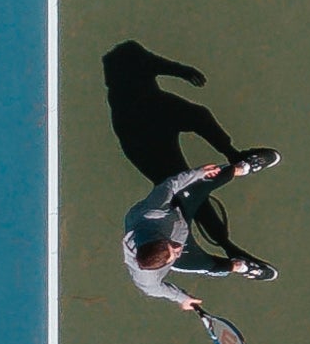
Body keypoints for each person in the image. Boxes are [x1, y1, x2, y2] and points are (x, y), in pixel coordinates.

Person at [103, 40, 269, 270]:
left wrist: (184, 71)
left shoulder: (132, 58)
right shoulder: (123, 104)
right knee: (191, 194)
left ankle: (234, 156)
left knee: (199, 116)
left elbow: (155, 64)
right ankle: (228, 249)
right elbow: (154, 64)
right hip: (142, 143)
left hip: (156, 108)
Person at [123, 153, 280, 344]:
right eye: (173, 255)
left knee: (210, 176)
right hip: (181, 240)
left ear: (157, 239)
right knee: (211, 266)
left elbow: (169, 185)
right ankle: (242, 266)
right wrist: (182, 298)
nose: (177, 249)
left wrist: (197, 173)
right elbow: (157, 290)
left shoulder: (151, 212)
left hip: (177, 212)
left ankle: (242, 168)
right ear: (163, 265)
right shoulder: (146, 278)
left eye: (171, 246)